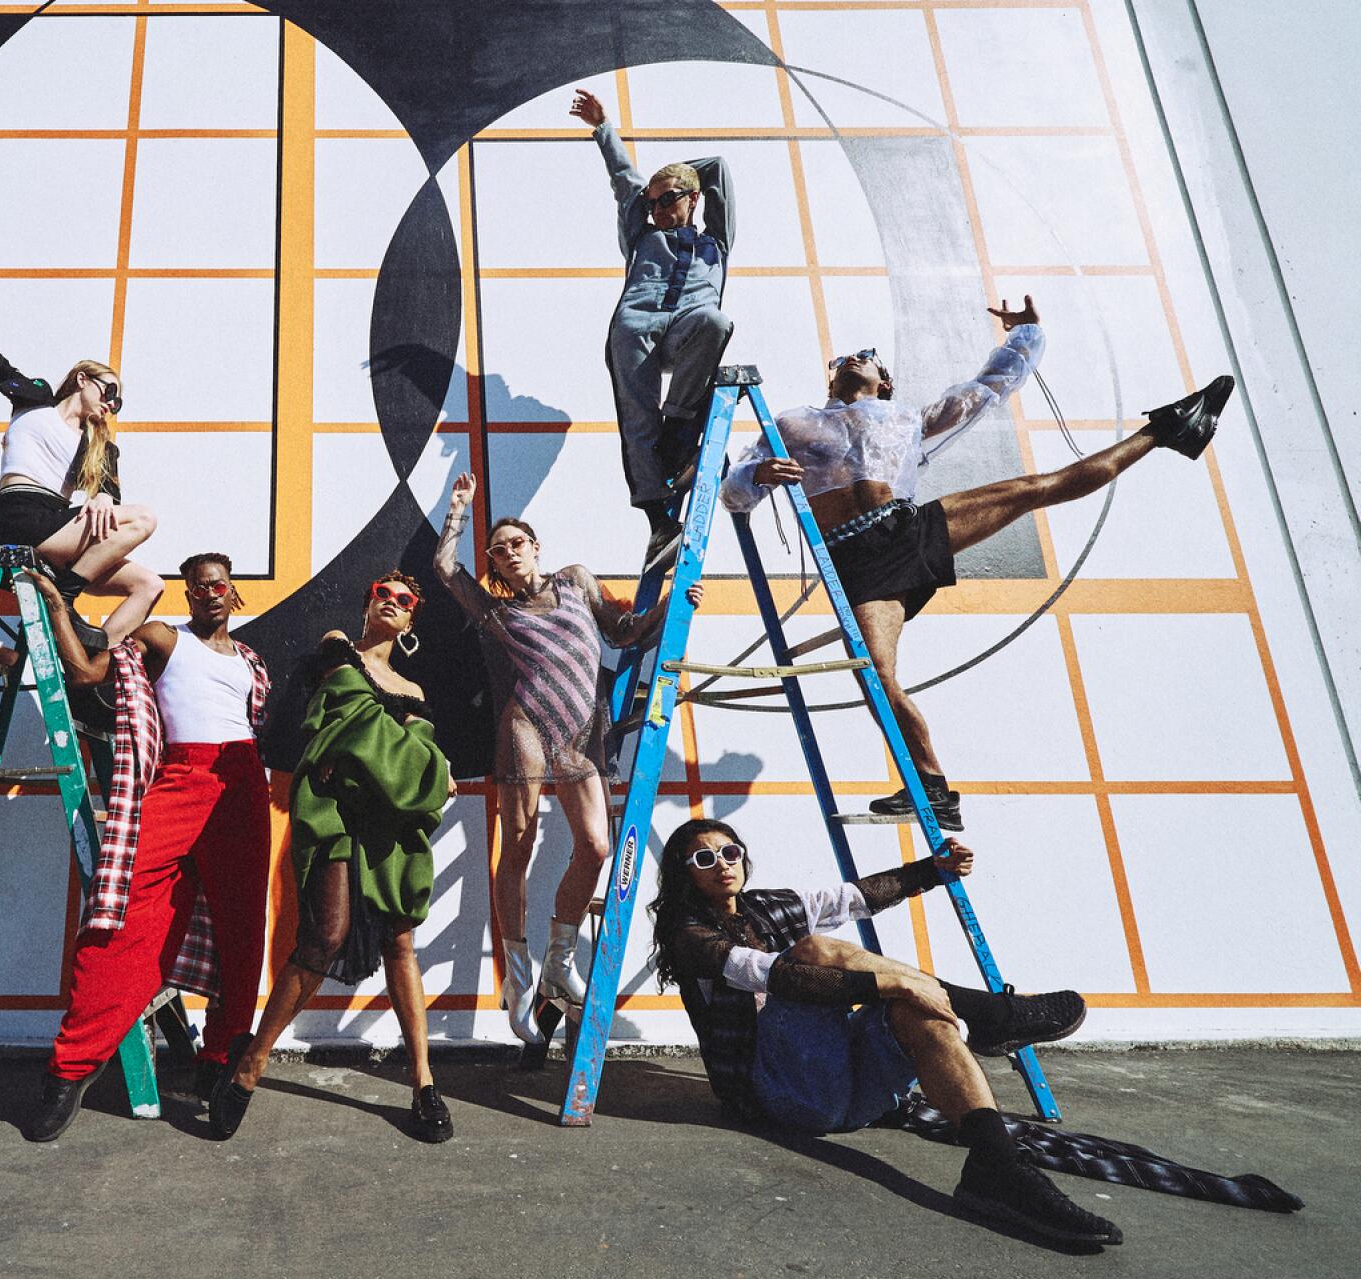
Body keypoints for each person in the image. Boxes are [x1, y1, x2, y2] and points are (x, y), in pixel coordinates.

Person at [721, 296, 1233, 829]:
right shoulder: (790, 424)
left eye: (866, 354)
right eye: (843, 358)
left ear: (885, 380)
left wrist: (1028, 334)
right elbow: (734, 495)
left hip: (906, 530)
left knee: (1037, 488)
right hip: (855, 561)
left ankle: (1165, 431)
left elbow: (992, 385)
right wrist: (756, 477)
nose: (852, 358)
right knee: (876, 675)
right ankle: (933, 787)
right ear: (831, 381)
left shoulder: (905, 420)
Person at [648, 816, 1121, 1246]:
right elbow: (777, 976)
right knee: (815, 952)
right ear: (685, 872)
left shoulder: (769, 906)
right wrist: (888, 981)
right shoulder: (687, 936)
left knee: (918, 1010)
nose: (722, 865)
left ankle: (995, 1166)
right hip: (779, 1096)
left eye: (729, 852)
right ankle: (989, 1013)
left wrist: (932, 870)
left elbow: (856, 897)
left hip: (855, 1098)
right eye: (704, 859)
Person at [435, 472, 700, 1042]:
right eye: (497, 550)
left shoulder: (576, 581)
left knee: (597, 845)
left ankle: (559, 960)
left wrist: (675, 606)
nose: (507, 554)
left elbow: (624, 633)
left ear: (535, 546)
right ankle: (517, 975)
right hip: (525, 727)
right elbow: (445, 571)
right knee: (521, 845)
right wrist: (459, 510)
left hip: (579, 734)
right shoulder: (496, 612)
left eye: (516, 543)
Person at [20, 553, 273, 1143]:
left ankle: (221, 1063)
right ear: (187, 595)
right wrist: (59, 607)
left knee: (241, 928)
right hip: (180, 779)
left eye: (218, 583)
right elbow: (87, 670)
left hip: (239, 785)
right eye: (197, 585)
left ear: (233, 593)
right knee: (122, 913)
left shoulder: (252, 663)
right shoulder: (164, 637)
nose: (208, 591)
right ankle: (72, 1067)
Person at [210, 571, 456, 1143]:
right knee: (324, 936)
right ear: (368, 603)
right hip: (336, 815)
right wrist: (410, 764)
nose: (392, 603)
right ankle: (251, 1063)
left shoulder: (413, 690)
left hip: (388, 822)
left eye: (405, 601)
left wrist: (414, 766)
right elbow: (348, 723)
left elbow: (415, 766)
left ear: (412, 619)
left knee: (400, 940)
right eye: (383, 595)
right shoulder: (335, 650)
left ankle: (423, 1081)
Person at [0, 311, 163, 650]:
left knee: (149, 585)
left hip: (59, 537)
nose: (110, 403)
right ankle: (64, 598)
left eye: (116, 402)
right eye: (108, 391)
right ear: (82, 380)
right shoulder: (35, 401)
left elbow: (110, 496)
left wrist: (104, 497)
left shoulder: (99, 446)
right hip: (21, 519)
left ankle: (90, 655)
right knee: (144, 517)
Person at [570, 87, 736, 570]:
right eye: (654, 203)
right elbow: (625, 180)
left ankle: (680, 424)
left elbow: (718, 167)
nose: (660, 210)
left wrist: (680, 176)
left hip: (688, 328)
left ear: (693, 199)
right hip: (636, 329)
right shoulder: (641, 232)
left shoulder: (717, 242)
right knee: (637, 418)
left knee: (715, 320)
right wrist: (605, 130)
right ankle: (658, 521)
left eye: (669, 201)